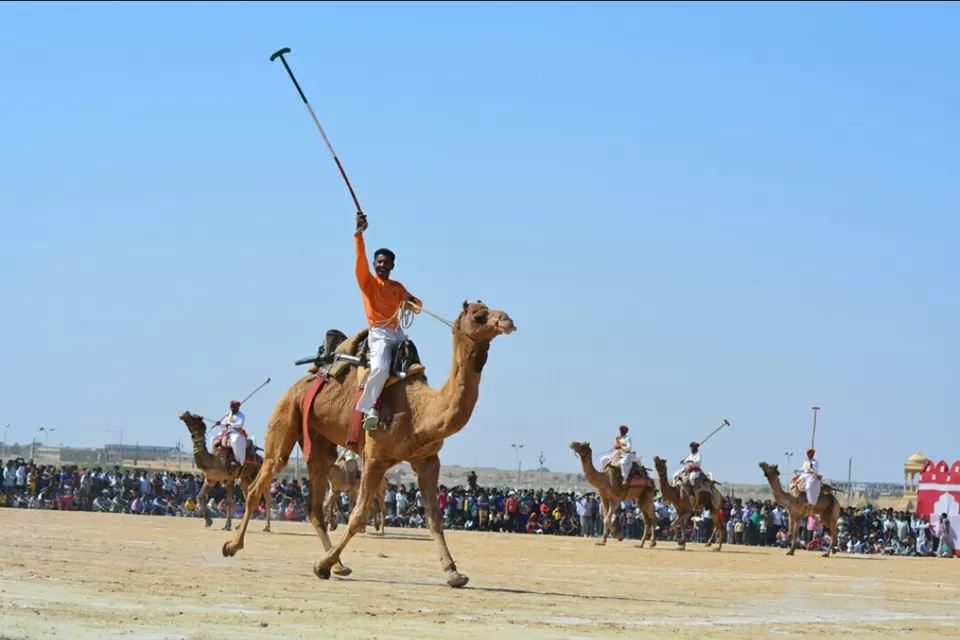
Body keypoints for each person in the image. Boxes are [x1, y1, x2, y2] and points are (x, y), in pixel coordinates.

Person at [353, 211, 422, 432]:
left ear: (392, 266)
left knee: (416, 369)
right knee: (381, 369)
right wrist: (359, 235)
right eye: (379, 262)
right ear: (374, 263)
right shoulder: (368, 283)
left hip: (398, 334)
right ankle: (369, 408)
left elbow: (417, 306)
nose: (382, 265)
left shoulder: (397, 287)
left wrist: (411, 302)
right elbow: (360, 262)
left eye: (386, 263)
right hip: (380, 334)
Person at [211, 400, 248, 469]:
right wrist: (219, 423)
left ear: (238, 408)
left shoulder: (241, 415)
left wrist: (231, 424)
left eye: (234, 408)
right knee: (213, 439)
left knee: (235, 441)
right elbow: (223, 425)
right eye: (232, 407)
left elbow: (240, 424)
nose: (233, 409)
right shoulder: (228, 414)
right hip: (225, 431)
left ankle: (237, 460)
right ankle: (213, 457)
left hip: (235, 431)